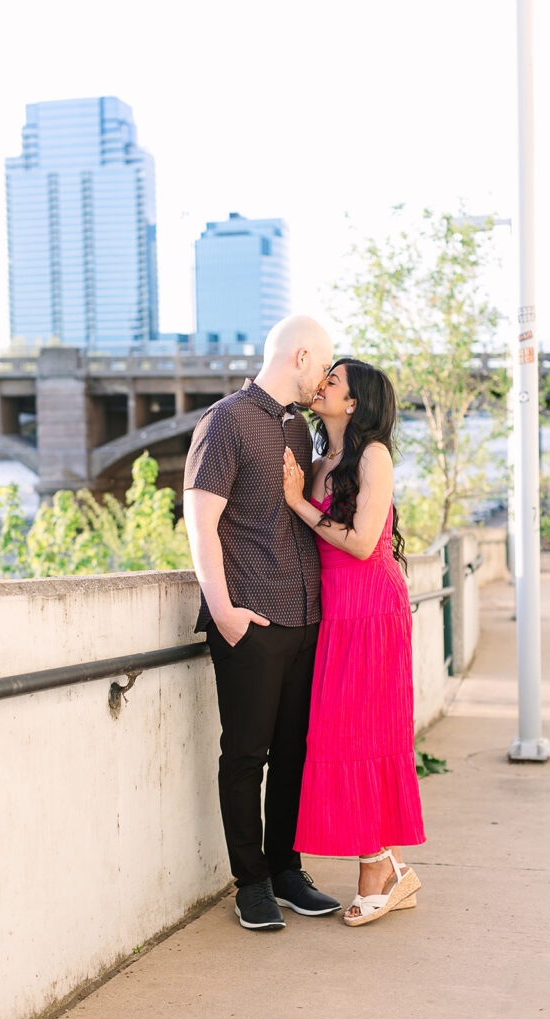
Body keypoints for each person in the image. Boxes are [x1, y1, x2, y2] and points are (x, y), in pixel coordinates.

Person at [183, 315, 341, 930]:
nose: (324, 378)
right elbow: (200, 522)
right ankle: (250, 883)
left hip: (304, 614)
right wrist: (224, 613)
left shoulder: (298, 428)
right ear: (301, 356)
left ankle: (285, 870)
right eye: (323, 366)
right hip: (250, 616)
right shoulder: (224, 420)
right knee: (245, 754)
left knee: (295, 752)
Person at [282, 357, 426, 926]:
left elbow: (365, 543)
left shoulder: (373, 455)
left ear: (355, 403)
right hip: (336, 609)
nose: (322, 384)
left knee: (366, 730)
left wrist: (297, 503)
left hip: (371, 605)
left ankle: (376, 868)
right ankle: (387, 864)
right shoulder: (322, 461)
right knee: (340, 734)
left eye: (333, 380)